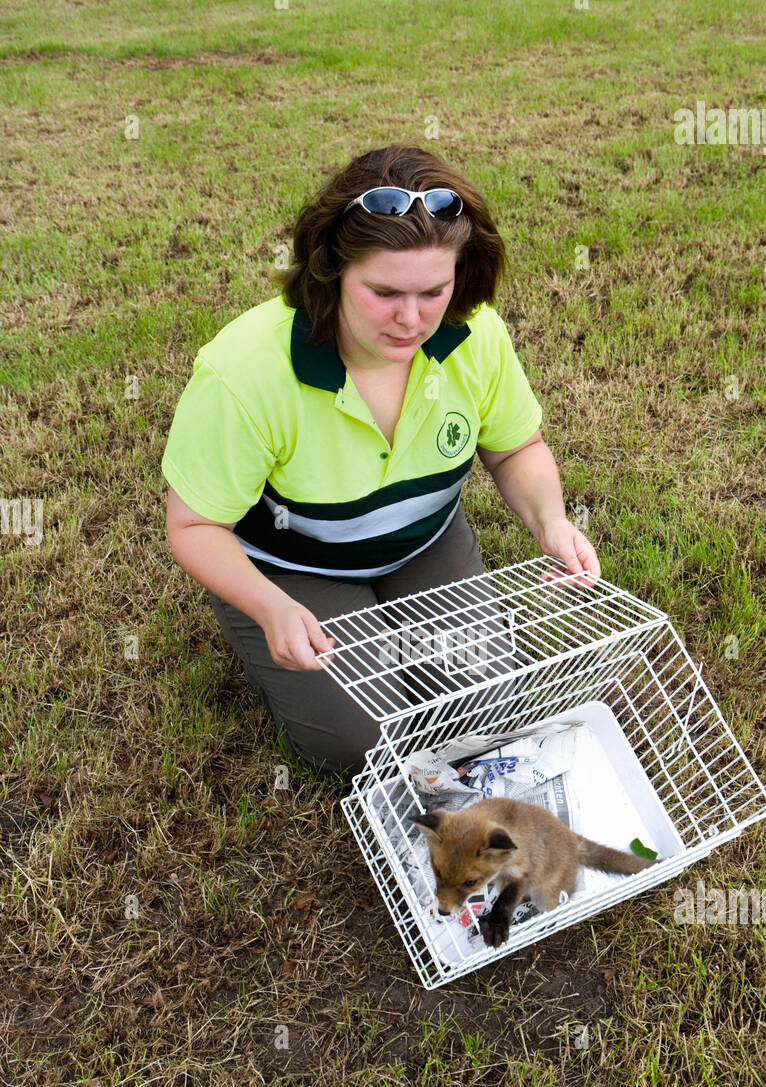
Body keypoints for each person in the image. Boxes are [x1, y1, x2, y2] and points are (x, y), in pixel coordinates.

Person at [161, 144, 599, 779]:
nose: (411, 319)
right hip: (291, 566)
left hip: (423, 544)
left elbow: (516, 449)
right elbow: (195, 527)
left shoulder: (476, 335)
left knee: (487, 700)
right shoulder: (245, 372)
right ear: (331, 270)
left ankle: (401, 611)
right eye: (384, 292)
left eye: (433, 292)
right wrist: (269, 605)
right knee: (359, 740)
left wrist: (552, 523)